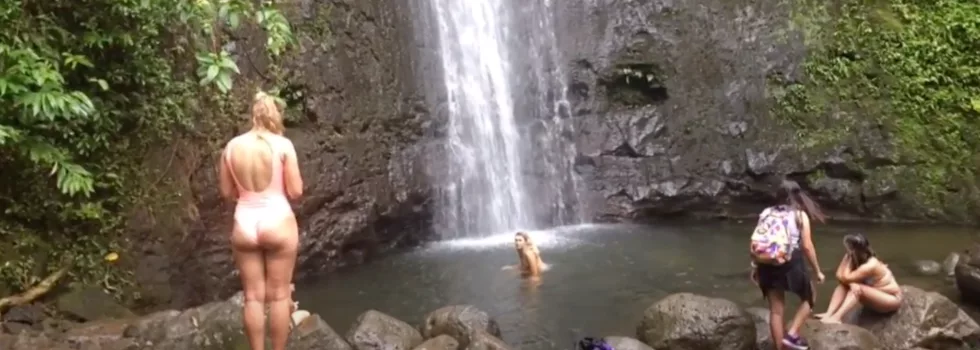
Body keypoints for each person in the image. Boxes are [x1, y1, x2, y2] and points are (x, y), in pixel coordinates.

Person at [219, 91, 304, 350]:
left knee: (253, 298)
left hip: (245, 223)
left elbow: (226, 192)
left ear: (252, 115)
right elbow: (296, 190)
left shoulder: (231, 147)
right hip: (277, 219)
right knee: (279, 296)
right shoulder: (282, 145)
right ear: (274, 115)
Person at [750, 180, 826, 350]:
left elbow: (759, 242)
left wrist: (755, 266)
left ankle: (779, 348)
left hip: (767, 263)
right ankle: (792, 334)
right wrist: (818, 271)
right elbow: (807, 245)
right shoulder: (800, 216)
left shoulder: (766, 212)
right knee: (810, 296)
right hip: (790, 262)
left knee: (776, 311)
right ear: (798, 196)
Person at [816, 233, 902, 324]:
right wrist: (850, 281)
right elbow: (838, 275)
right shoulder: (851, 257)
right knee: (843, 286)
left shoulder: (871, 265)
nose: (849, 251)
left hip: (891, 299)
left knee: (857, 288)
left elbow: (845, 277)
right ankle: (829, 314)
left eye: (852, 249)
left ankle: (837, 317)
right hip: (874, 294)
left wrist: (849, 276)